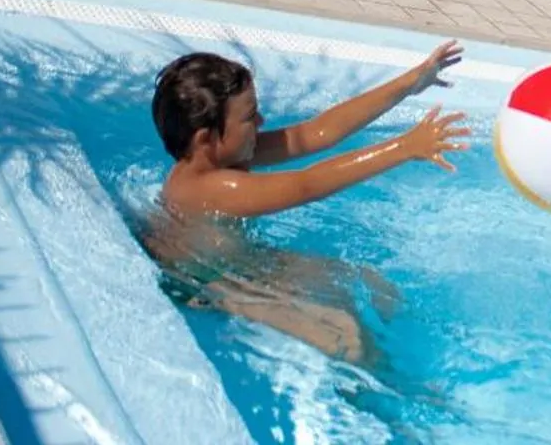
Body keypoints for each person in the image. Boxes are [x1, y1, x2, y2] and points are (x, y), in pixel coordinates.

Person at [140, 44, 471, 361]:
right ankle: (388, 402)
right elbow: (306, 184)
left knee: (370, 282)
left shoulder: (221, 158)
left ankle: (413, 351)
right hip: (208, 287)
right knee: (345, 338)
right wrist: (405, 147)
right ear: (207, 139)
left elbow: (317, 133)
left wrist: (411, 82)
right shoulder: (212, 187)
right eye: (250, 117)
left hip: (241, 262)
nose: (262, 122)